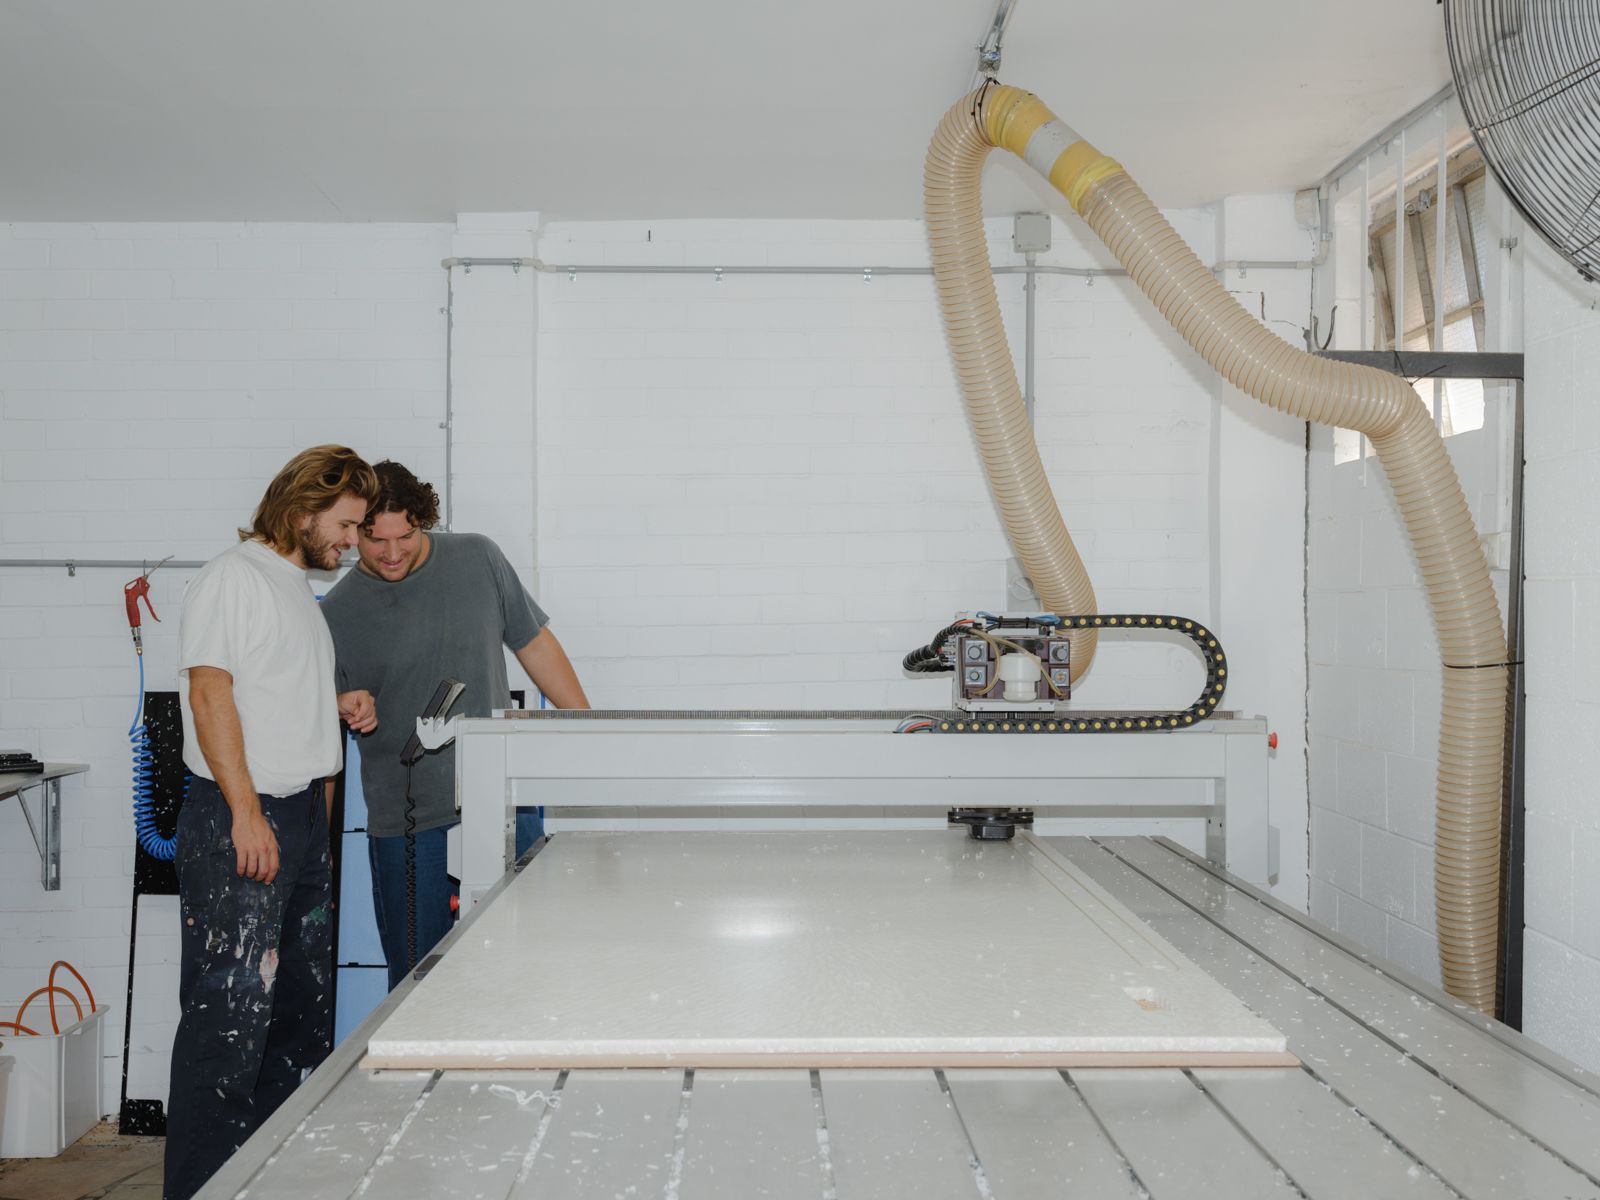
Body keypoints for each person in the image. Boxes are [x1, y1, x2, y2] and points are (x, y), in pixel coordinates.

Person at [165, 445, 380, 1200]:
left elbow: (266, 692)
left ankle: (271, 1183)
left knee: (295, 1020)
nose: (353, 542)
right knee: (227, 1024)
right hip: (243, 820)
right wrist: (245, 813)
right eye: (348, 526)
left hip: (298, 824)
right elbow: (211, 695)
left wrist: (334, 707)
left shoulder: (293, 587)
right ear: (301, 510)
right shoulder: (234, 577)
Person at [321, 461, 589, 989]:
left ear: (426, 521)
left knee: (521, 965)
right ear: (354, 533)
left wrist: (587, 729)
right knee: (418, 983)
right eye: (375, 541)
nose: (392, 553)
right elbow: (316, 719)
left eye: (406, 536)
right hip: (406, 826)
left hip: (504, 807)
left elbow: (533, 644)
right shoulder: (336, 612)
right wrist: (340, 704)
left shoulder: (478, 558)